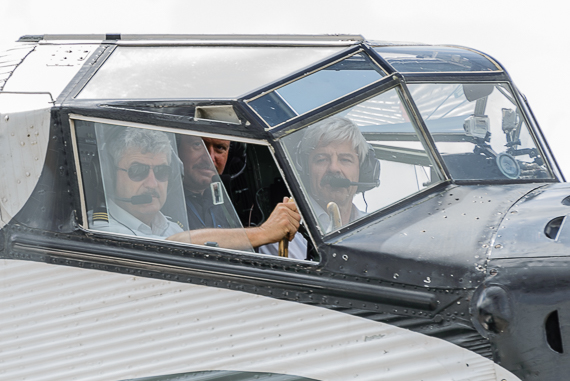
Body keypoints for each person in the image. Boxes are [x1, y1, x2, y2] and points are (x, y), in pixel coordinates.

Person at [258, 117, 379, 258]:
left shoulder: (376, 230)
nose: (334, 168)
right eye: (322, 159)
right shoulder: (284, 235)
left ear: (362, 171)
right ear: (306, 170)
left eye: (345, 159)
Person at [169, 134, 301, 250]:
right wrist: (264, 232)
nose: (209, 158)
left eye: (220, 148)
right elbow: (175, 244)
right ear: (175, 148)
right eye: (198, 144)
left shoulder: (222, 196)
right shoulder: (159, 197)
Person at [90, 127, 185, 239]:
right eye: (138, 170)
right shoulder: (99, 230)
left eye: (162, 171)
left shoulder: (174, 229)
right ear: (109, 175)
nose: (152, 184)